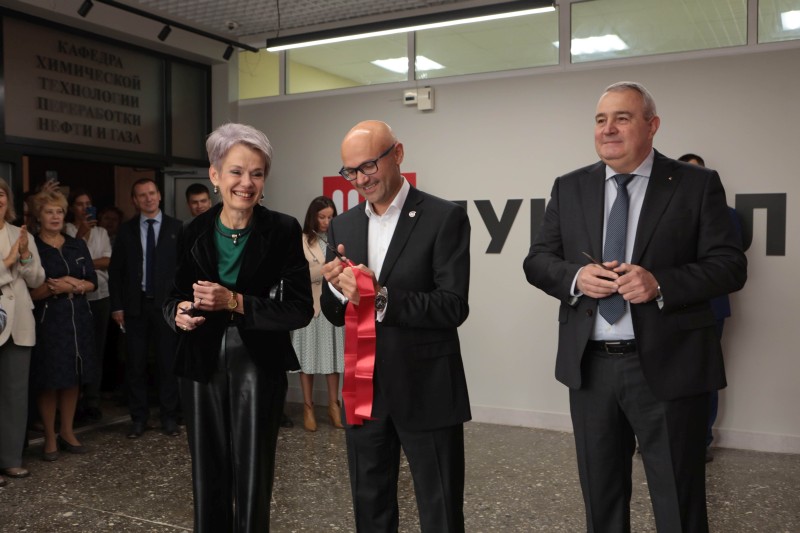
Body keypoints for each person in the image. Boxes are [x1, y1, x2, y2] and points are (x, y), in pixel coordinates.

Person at [523, 81, 747, 532]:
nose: (608, 129)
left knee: (678, 503)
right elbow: (538, 260)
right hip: (590, 370)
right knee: (601, 500)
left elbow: (729, 266)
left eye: (622, 118)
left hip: (669, 367)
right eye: (600, 120)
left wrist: (659, 282)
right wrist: (576, 278)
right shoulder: (570, 187)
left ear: (652, 125)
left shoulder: (696, 185)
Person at [320, 120, 471, 532]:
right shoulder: (343, 225)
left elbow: (453, 306)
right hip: (364, 391)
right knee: (370, 507)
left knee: (440, 510)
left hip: (428, 388)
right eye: (351, 171)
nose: (360, 179)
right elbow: (334, 312)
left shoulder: (444, 217)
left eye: (369, 165)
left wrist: (381, 297)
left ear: (398, 154)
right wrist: (336, 289)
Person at [163, 123, 313, 532]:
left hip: (259, 359)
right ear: (215, 175)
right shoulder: (192, 231)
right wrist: (177, 312)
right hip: (200, 360)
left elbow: (299, 309)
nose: (246, 183)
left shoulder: (283, 229)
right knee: (207, 471)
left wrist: (235, 301)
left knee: (253, 471)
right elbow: (172, 296)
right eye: (236, 171)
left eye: (257, 174)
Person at [677, 152, 743, 463]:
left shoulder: (726, 215)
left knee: (704, 376)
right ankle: (657, 438)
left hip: (709, 309)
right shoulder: (660, 212)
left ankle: (701, 440)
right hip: (666, 309)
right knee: (660, 374)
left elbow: (727, 265)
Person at [108, 178, 183, 439]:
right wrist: (117, 306)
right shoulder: (126, 230)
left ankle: (169, 417)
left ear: (159, 195)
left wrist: (182, 304)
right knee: (135, 365)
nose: (148, 198)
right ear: (135, 200)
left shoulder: (177, 228)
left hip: (167, 307)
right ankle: (138, 419)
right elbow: (116, 272)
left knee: (167, 363)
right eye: (142, 195)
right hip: (135, 306)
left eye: (151, 193)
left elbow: (184, 270)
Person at [29, 190, 97, 461]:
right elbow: (31, 292)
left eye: (59, 211)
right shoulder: (32, 246)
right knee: (49, 379)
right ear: (39, 216)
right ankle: (49, 437)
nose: (55, 217)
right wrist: (53, 287)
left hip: (78, 318)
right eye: (49, 212)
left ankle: (67, 432)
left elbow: (92, 282)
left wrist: (73, 284)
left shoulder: (76, 244)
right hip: (48, 321)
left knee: (72, 377)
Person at [0, 178, 45, 484]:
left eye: (1, 194)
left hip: (19, 324)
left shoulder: (20, 233)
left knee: (16, 396)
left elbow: (37, 279)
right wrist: (9, 261)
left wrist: (26, 256)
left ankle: (12, 460)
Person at [293, 195, 345, 432]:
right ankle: (308, 408)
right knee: (307, 360)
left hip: (334, 308)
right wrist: (325, 272)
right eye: (322, 217)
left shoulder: (339, 239)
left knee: (333, 359)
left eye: (330, 217)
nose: (326, 222)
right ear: (312, 217)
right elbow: (297, 274)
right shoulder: (301, 240)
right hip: (310, 308)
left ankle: (334, 407)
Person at [66, 190, 113, 422]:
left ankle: (93, 400)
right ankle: (73, 403)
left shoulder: (102, 232)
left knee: (97, 349)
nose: (85, 208)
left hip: (101, 296)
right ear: (72, 208)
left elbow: (108, 260)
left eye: (88, 203)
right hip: (74, 298)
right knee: (75, 351)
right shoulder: (66, 230)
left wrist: (83, 263)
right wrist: (81, 235)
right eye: (80, 204)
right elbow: (66, 261)